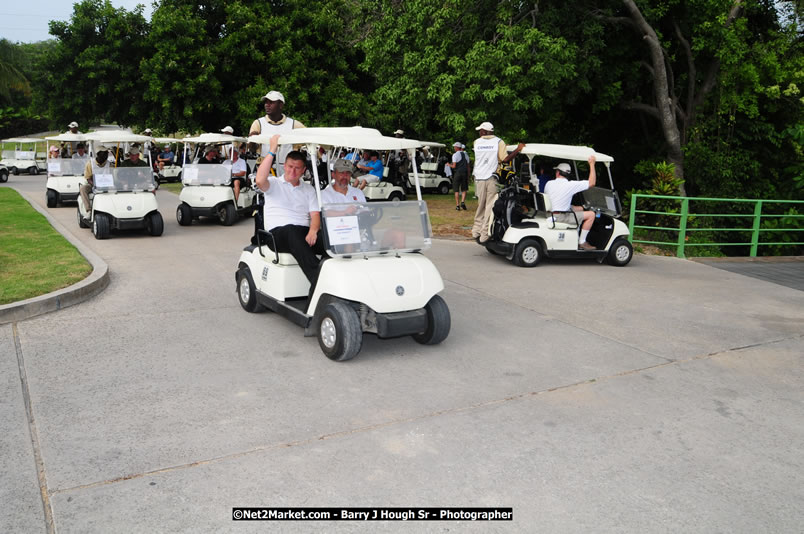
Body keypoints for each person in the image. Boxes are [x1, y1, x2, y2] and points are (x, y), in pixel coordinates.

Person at [254, 135, 324, 296]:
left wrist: (314, 230)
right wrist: (272, 150)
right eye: (290, 166)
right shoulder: (273, 184)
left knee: (329, 240)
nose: (293, 171)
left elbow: (315, 215)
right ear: (284, 166)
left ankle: (339, 276)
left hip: (302, 233)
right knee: (291, 231)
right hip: (277, 235)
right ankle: (319, 281)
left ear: (303, 170)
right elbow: (259, 180)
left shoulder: (308, 189)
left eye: (297, 168)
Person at [472, 121, 525, 244]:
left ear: (485, 131)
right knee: (489, 205)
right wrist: (518, 149)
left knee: (481, 204)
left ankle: (476, 230)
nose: (479, 132)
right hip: (491, 177)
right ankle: (484, 234)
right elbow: (504, 159)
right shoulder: (499, 142)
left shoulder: (476, 142)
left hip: (478, 177)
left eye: (481, 130)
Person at [544, 155, 598, 250]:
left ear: (557, 173)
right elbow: (592, 182)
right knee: (591, 214)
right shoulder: (571, 185)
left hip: (550, 214)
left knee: (578, 208)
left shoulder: (549, 183)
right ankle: (582, 242)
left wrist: (582, 207)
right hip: (561, 217)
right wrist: (592, 164)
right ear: (568, 174)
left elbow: (559, 201)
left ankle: (578, 238)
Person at [248, 90, 306, 175]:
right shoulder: (258, 123)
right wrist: (252, 140)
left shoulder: (294, 124)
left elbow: (309, 142)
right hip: (266, 170)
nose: (267, 105)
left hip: (288, 172)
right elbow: (252, 149)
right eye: (266, 102)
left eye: (271, 102)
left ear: (281, 105)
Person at [81, 144, 112, 211]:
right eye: (104, 153)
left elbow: (112, 177)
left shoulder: (109, 164)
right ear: (98, 154)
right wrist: (96, 184)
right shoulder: (90, 163)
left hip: (107, 184)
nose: (106, 155)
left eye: (107, 153)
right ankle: (88, 209)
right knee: (83, 188)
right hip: (93, 184)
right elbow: (88, 178)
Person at [449, 141, 471, 210]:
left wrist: (449, 165)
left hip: (458, 173)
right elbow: (468, 166)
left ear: (456, 147)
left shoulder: (455, 155)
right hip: (464, 173)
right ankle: (463, 202)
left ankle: (457, 205)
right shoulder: (466, 155)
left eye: (454, 147)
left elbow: (454, 166)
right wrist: (468, 174)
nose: (454, 148)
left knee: (456, 189)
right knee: (464, 189)